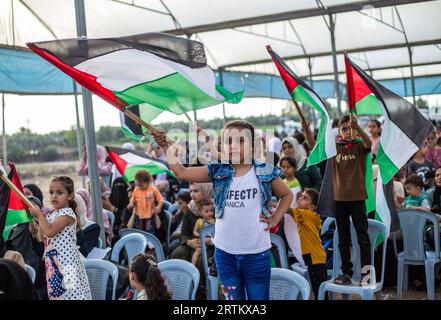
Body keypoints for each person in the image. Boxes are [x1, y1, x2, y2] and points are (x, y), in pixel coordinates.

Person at [153, 119, 293, 300]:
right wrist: (165, 146)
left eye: (241, 141)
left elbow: (287, 195)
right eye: (228, 141)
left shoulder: (264, 171)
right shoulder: (217, 170)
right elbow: (182, 173)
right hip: (225, 255)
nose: (233, 146)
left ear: (253, 145)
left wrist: (275, 219)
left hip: (256, 254)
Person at [29, 176, 91, 300]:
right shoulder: (52, 214)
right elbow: (43, 237)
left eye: (59, 193)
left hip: (67, 264)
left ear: (69, 196)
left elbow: (50, 231)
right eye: (51, 192)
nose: (54, 196)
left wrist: (40, 215)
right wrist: (38, 221)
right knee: (58, 295)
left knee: (71, 294)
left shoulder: (67, 214)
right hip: (53, 263)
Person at [332, 115, 372, 286]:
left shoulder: (359, 146)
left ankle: (367, 274)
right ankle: (346, 273)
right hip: (339, 199)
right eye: (345, 129)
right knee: (343, 240)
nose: (349, 132)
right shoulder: (334, 148)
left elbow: (369, 144)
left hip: (357, 199)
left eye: (351, 128)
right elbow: (314, 147)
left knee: (363, 238)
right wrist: (306, 130)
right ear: (339, 131)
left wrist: (359, 128)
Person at [287, 189, 327, 299]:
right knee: (318, 288)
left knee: (319, 289)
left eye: (305, 198)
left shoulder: (307, 214)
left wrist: (271, 202)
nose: (300, 199)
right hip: (314, 256)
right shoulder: (307, 215)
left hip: (315, 258)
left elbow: (288, 210)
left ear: (313, 206)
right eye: (301, 196)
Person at [191, 200, 215, 266]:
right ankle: (193, 265)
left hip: (211, 242)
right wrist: (200, 235)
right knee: (198, 251)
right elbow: (194, 231)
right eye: (206, 211)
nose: (210, 213)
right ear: (201, 213)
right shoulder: (199, 221)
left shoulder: (214, 221)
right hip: (201, 241)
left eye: (211, 211)